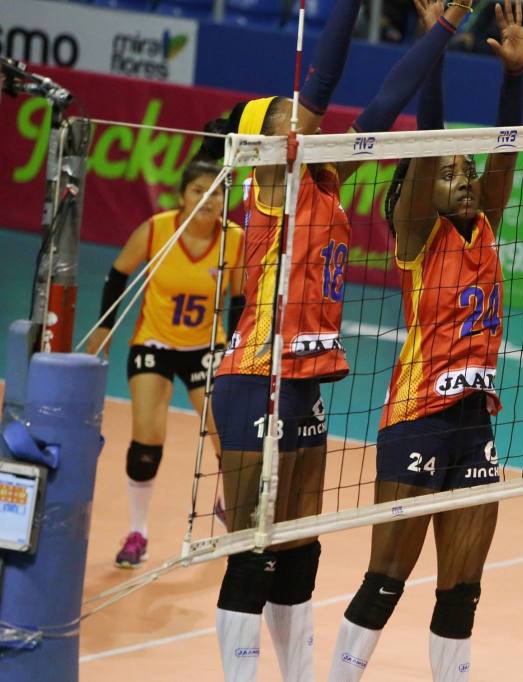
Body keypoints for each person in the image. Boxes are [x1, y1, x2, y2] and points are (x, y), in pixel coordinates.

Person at [201, 0, 478, 680]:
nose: (304, 119)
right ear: (267, 140)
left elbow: (386, 102)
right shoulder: (273, 183)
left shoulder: (326, 183)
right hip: (256, 376)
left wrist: (445, 27)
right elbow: (322, 83)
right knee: (253, 549)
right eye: (287, 115)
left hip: (306, 382)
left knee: (299, 550)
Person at [327, 2, 523, 680]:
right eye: (449, 173)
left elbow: (505, 151)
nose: (465, 179)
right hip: (417, 418)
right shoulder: (416, 237)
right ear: (420, 190)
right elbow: (428, 140)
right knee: (386, 578)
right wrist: (434, 47)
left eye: (466, 172)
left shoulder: (485, 224)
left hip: (476, 424)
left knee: (462, 589)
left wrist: (514, 76)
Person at [84, 159, 243, 569]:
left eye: (216, 192)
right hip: (153, 342)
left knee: (228, 438)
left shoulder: (234, 239)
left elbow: (240, 298)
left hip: (205, 347)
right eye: (198, 191)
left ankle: (228, 506)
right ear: (182, 196)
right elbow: (118, 273)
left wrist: (238, 348)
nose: (208, 200)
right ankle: (137, 532)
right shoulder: (157, 229)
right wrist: (105, 328)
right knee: (146, 441)